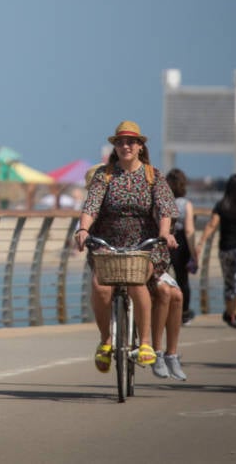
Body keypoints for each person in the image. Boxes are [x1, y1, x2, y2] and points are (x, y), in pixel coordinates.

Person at [75, 121, 180, 378]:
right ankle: (105, 340)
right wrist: (83, 229)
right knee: (100, 286)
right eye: (120, 142)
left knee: (136, 283)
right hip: (107, 243)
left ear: (140, 146)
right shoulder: (105, 175)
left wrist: (165, 233)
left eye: (131, 141)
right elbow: (91, 206)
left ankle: (145, 342)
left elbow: (165, 208)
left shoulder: (153, 175)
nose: (125, 146)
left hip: (143, 244)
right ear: (115, 146)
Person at [196, 174, 236, 329]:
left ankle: (230, 313)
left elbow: (212, 224)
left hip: (226, 249)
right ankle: (235, 315)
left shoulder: (222, 205)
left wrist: (201, 242)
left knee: (229, 283)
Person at [166, 168, 196, 325]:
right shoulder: (186, 204)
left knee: (160, 278)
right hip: (182, 243)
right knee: (182, 280)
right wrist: (194, 254)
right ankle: (183, 313)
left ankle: (161, 310)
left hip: (164, 241)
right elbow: (190, 229)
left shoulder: (163, 202)